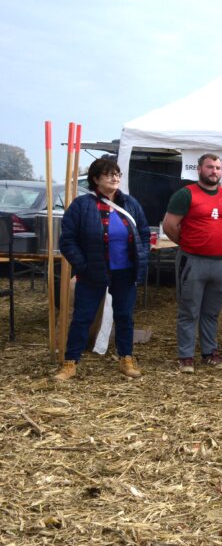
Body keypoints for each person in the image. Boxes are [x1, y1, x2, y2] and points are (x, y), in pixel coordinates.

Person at [54, 158, 149, 381]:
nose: (115, 178)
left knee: (125, 316)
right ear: (96, 179)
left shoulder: (131, 204)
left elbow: (144, 233)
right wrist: (83, 266)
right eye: (108, 174)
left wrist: (141, 255)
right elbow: (68, 240)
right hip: (93, 271)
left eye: (117, 174)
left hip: (125, 271)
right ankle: (70, 363)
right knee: (82, 317)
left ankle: (126, 359)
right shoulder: (81, 205)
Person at [163, 153, 222, 373]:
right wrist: (188, 244)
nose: (214, 171)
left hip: (219, 262)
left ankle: (209, 353)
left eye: (217, 168)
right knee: (189, 310)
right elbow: (169, 225)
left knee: (211, 312)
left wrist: (217, 241)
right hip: (193, 261)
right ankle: (186, 357)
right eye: (210, 167)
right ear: (199, 169)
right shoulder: (185, 195)